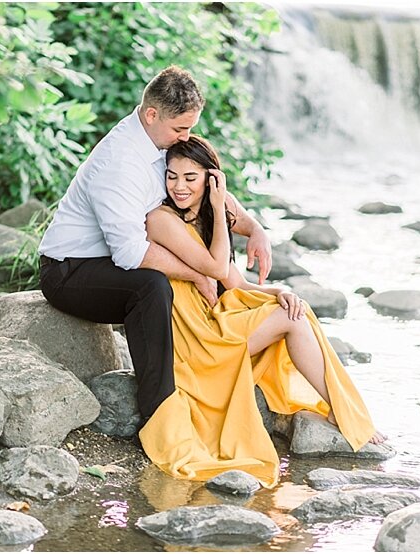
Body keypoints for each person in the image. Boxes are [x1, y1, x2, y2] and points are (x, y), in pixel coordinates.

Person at [139, 134, 385, 486]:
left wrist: (280, 290)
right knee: (292, 319)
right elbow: (216, 266)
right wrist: (222, 207)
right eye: (172, 176)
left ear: (210, 179)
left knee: (296, 310)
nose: (178, 186)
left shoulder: (204, 215)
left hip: (214, 322)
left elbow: (237, 285)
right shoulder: (161, 219)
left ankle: (340, 409)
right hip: (195, 340)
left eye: (190, 178)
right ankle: (345, 413)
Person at [37, 66, 272, 424]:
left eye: (190, 128)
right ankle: (159, 413)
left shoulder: (160, 141)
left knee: (202, 269)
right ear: (151, 114)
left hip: (107, 261)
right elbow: (130, 254)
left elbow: (200, 187)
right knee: (152, 286)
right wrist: (197, 274)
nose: (186, 137)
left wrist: (253, 228)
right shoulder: (120, 162)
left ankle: (225, 383)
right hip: (70, 271)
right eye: (181, 128)